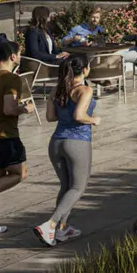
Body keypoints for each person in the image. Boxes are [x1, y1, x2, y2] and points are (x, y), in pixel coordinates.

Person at [34, 56, 97, 247]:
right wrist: (94, 119)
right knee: (77, 187)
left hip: (56, 143)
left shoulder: (57, 90)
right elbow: (79, 115)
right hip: (77, 142)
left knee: (66, 186)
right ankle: (50, 225)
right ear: (85, 70)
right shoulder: (84, 90)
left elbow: (51, 117)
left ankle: (62, 229)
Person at [0, 38, 32, 238]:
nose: (20, 56)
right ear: (13, 56)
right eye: (19, 53)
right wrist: (24, 109)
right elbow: (9, 108)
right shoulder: (12, 79)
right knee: (20, 174)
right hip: (3, 137)